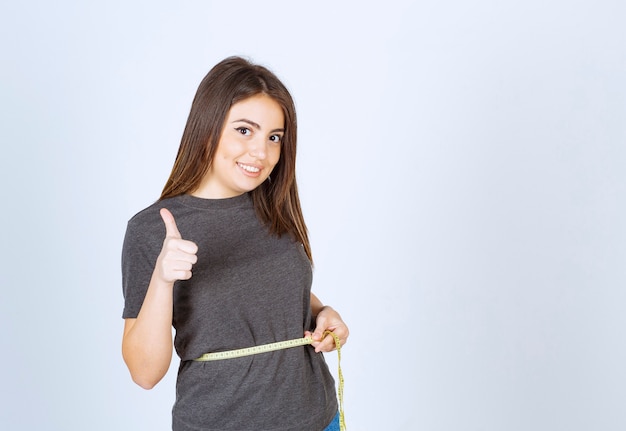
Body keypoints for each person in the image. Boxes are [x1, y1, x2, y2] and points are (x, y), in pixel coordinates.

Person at [121, 56, 349, 431]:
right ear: (207, 128)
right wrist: (162, 281)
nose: (261, 153)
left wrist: (324, 313)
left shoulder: (274, 207)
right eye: (245, 130)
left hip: (319, 419)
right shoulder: (153, 230)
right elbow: (144, 374)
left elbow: (274, 291)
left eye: (274, 137)